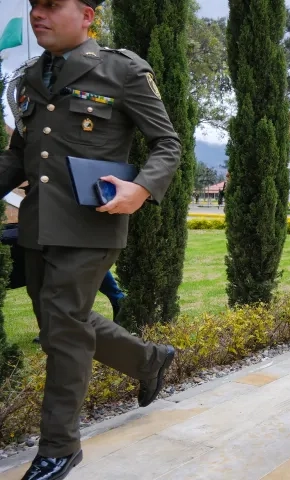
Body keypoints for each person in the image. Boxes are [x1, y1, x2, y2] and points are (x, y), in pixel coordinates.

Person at [0, 1, 179, 478]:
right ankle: (149, 360)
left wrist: (141, 188)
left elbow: (167, 143)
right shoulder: (31, 77)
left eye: (51, 5)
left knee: (62, 331)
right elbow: (19, 154)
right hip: (38, 226)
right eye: (34, 4)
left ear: (86, 15)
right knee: (62, 322)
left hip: (92, 223)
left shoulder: (120, 70)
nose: (38, 13)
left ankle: (59, 446)